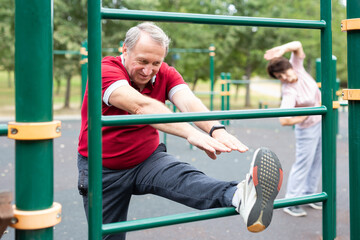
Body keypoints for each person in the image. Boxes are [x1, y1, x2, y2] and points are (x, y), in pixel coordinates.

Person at [77, 22, 283, 239]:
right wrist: (190, 132)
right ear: (125, 51)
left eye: (156, 62)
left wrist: (216, 129)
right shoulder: (105, 71)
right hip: (103, 169)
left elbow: (188, 101)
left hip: (146, 159)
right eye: (142, 61)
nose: (148, 70)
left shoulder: (165, 73)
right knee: (107, 235)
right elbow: (141, 106)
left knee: (185, 178)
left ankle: (240, 196)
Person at [264, 41, 322, 217]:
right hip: (306, 129)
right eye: (280, 77)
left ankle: (309, 194)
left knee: (318, 160)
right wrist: (304, 116)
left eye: (284, 73)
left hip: (320, 122)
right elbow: (284, 119)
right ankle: (292, 201)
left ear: (290, 66)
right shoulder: (289, 90)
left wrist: (282, 49)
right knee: (303, 163)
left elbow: (297, 44)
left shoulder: (298, 68)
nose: (285, 78)